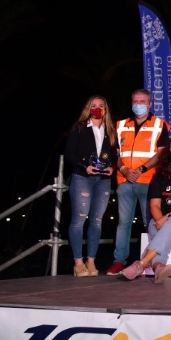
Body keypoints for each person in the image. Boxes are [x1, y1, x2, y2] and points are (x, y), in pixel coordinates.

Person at [108, 89, 170, 275]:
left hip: (148, 181)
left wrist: (141, 169)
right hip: (124, 180)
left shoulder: (159, 124)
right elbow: (115, 154)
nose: (138, 105)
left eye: (142, 101)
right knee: (123, 223)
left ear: (150, 104)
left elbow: (161, 154)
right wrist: (124, 170)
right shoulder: (120, 125)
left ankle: (151, 262)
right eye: (135, 101)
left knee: (149, 222)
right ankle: (119, 261)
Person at [121, 137, 171, 283]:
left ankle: (141, 263)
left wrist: (166, 218)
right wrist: (160, 220)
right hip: (160, 218)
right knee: (154, 226)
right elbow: (154, 205)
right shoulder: (159, 175)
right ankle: (158, 267)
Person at [64, 95, 118, 277]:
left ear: (105, 109)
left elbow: (115, 155)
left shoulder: (111, 130)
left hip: (103, 180)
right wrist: (84, 166)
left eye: (101, 105)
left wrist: (112, 168)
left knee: (97, 221)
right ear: (88, 108)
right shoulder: (79, 127)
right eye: (93, 105)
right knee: (79, 220)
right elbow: (69, 153)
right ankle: (78, 262)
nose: (97, 108)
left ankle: (91, 260)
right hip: (82, 178)